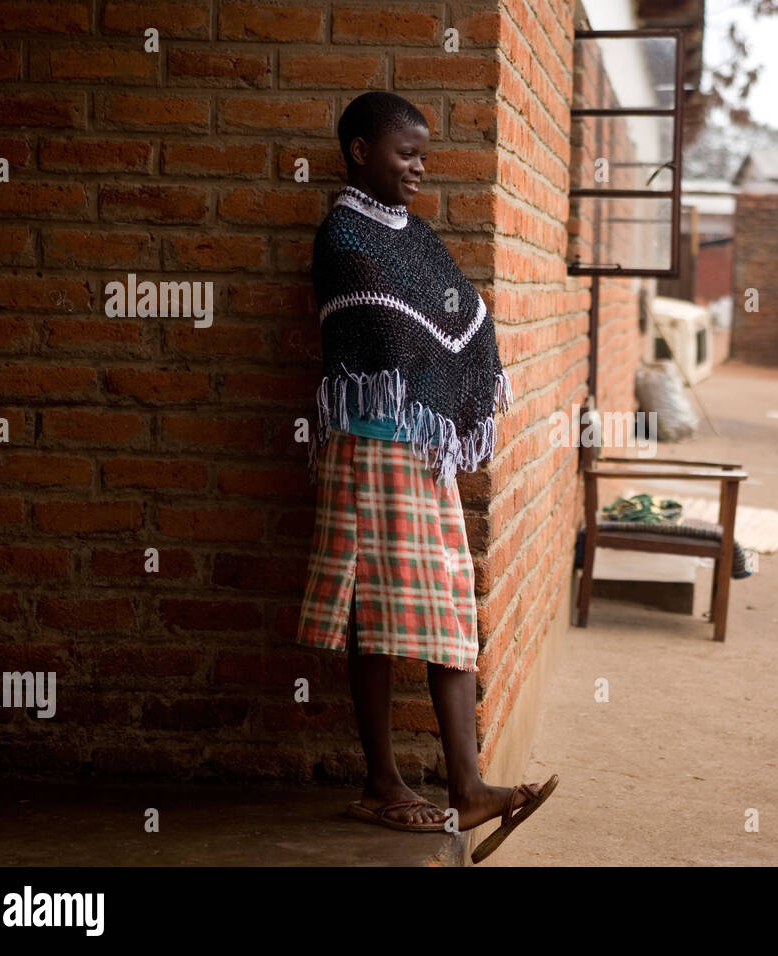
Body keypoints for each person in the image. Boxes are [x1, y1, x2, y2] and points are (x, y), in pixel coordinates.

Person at [295, 91, 556, 864]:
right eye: (405, 153)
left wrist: (447, 372)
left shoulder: (414, 234)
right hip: (369, 445)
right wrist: (424, 358)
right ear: (360, 152)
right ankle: (382, 782)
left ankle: (467, 786)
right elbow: (380, 325)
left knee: (448, 613)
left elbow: (453, 312)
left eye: (424, 155)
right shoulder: (342, 234)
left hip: (419, 452)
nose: (419, 168)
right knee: (372, 614)